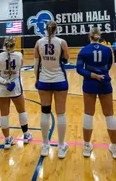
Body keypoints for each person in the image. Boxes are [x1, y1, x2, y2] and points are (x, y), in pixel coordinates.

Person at [76, 28, 116, 159]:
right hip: (104, 82)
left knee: (88, 114)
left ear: (89, 36)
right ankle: (115, 147)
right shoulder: (107, 50)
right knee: (109, 114)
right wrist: (100, 74)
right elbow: (109, 65)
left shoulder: (84, 51)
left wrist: (91, 75)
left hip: (89, 83)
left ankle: (86, 146)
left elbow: (78, 69)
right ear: (99, 37)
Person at [34, 21, 70, 158]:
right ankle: (61, 147)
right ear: (57, 29)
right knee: (60, 114)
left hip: (44, 81)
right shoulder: (62, 42)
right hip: (60, 80)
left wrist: (36, 79)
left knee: (45, 113)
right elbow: (66, 59)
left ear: (45, 29)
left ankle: (45, 145)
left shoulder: (38, 43)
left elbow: (36, 64)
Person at [0, 38, 33, 149]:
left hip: (2, 88)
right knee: (21, 111)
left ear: (4, 45)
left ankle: (7, 140)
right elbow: (19, 68)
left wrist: (4, 81)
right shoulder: (19, 56)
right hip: (16, 88)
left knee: (4, 114)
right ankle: (26, 135)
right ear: (14, 45)